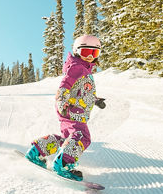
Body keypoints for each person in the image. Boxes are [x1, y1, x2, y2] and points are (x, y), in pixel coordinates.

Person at [25, 35, 106, 181]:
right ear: (76, 51)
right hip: (72, 110)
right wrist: (62, 100)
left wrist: (95, 100)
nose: (89, 56)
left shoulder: (83, 69)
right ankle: (63, 164)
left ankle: (36, 151)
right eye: (86, 52)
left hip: (72, 110)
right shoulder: (77, 68)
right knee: (83, 137)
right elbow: (64, 85)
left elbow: (82, 91)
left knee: (67, 140)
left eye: (94, 53)